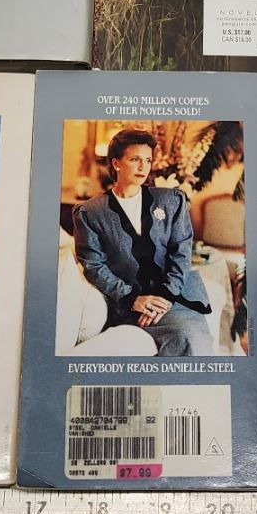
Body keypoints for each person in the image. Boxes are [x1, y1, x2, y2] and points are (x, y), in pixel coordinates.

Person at [72, 129, 215, 355]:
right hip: (129, 302)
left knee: (193, 337)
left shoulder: (171, 201)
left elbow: (181, 253)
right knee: (185, 337)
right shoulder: (90, 213)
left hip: (175, 295)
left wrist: (165, 297)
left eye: (148, 160)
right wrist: (132, 299)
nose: (143, 167)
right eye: (135, 159)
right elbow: (94, 266)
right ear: (116, 163)